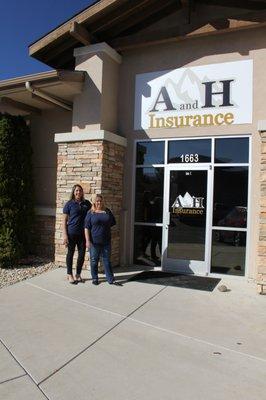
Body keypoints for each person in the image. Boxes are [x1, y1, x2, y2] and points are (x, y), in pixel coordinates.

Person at [84, 194, 117, 285]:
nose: (99, 202)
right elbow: (86, 227)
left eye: (100, 200)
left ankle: (110, 279)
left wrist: (104, 229)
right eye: (97, 201)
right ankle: (95, 278)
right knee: (94, 260)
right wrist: (87, 241)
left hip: (106, 241)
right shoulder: (90, 213)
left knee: (107, 260)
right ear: (94, 202)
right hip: (94, 242)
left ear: (103, 201)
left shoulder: (107, 211)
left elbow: (112, 222)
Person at [63, 184, 91, 284]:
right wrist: (65, 235)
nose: (78, 192)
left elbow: (93, 213)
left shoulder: (87, 204)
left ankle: (78, 274)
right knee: (70, 253)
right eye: (76, 191)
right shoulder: (69, 204)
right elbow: (64, 221)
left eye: (80, 190)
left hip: (83, 234)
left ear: (82, 192)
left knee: (82, 255)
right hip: (71, 233)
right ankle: (69, 274)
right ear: (73, 192)